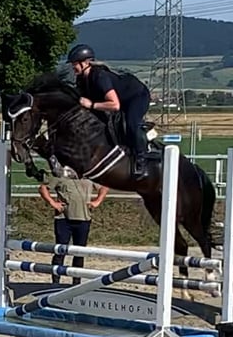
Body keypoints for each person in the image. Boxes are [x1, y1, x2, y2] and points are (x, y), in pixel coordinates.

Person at [67, 44, 152, 177]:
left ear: (85, 63)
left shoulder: (100, 77)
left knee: (131, 124)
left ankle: (141, 160)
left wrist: (92, 105)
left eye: (75, 64)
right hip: (121, 99)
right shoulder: (82, 79)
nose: (73, 67)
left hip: (137, 96)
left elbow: (114, 105)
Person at [38, 176, 109, 285]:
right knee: (59, 251)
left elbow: (104, 187)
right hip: (63, 219)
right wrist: (53, 203)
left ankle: (76, 282)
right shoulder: (60, 176)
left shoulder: (88, 177)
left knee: (79, 252)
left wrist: (97, 201)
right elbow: (43, 188)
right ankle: (55, 282)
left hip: (83, 218)